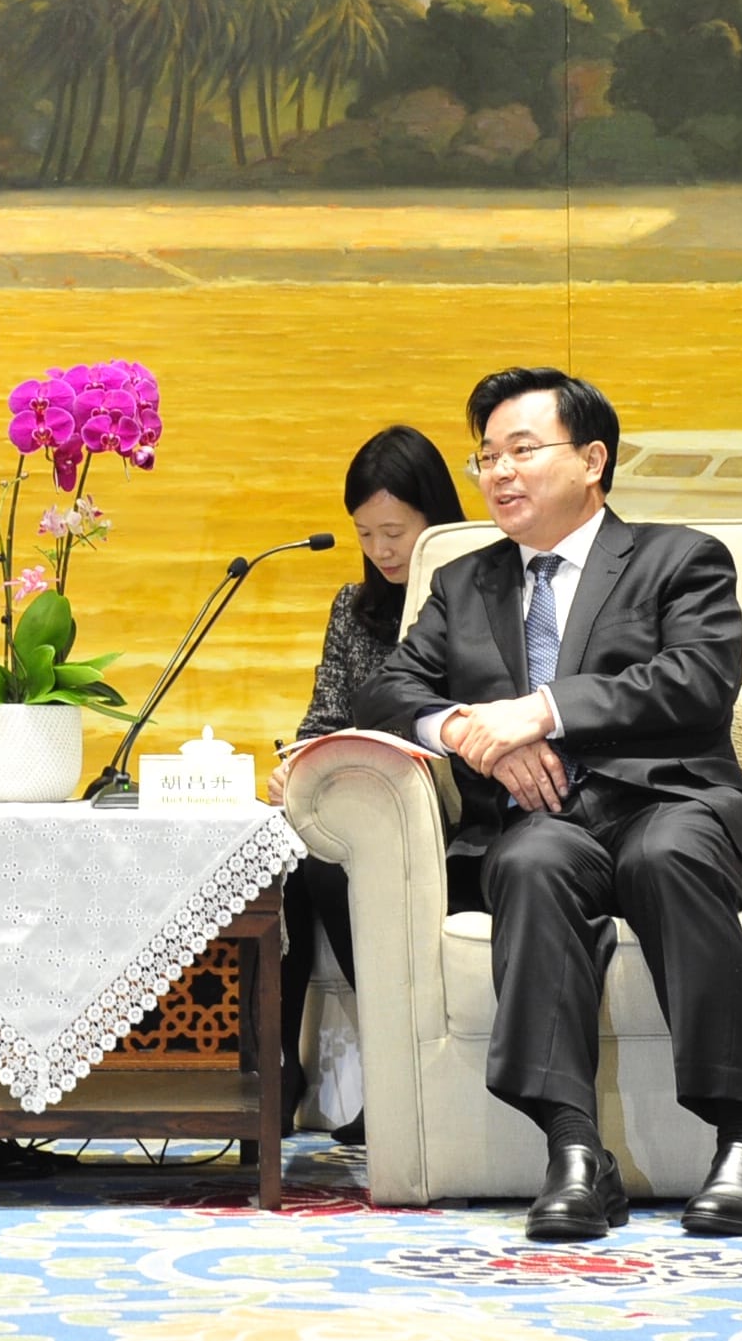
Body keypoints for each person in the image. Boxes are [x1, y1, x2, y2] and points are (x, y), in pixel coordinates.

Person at [350, 366, 742, 1242]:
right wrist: (471, 733)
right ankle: (575, 1151)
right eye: (485, 456)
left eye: (522, 449)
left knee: (667, 855)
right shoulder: (464, 583)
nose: (498, 472)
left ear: (593, 459)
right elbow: (386, 691)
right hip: (546, 820)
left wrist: (542, 710)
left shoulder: (679, 557)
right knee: (526, 859)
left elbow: (697, 681)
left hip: (672, 802)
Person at [265, 424, 465, 1143]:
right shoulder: (354, 610)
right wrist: (298, 762)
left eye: (395, 531)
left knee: (326, 867)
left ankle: (393, 1070)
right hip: (357, 808)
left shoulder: (472, 603)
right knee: (282, 853)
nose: (382, 550)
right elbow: (322, 715)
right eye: (367, 533)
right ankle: (276, 1070)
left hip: (446, 814)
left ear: (434, 520)